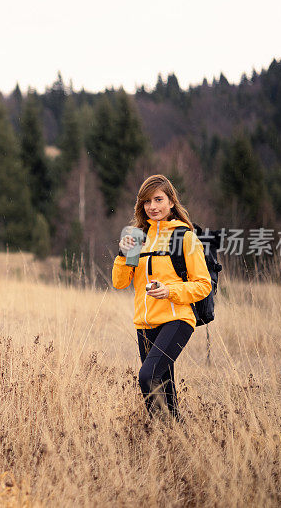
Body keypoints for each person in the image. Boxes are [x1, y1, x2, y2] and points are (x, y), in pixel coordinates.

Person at [112, 174, 211, 420]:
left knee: (148, 376)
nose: (153, 206)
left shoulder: (184, 237)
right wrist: (124, 254)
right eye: (147, 201)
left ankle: (161, 437)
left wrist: (170, 291)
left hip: (177, 319)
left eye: (158, 199)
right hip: (145, 324)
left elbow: (203, 285)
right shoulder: (137, 238)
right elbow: (120, 282)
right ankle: (173, 440)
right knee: (164, 389)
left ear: (171, 203)